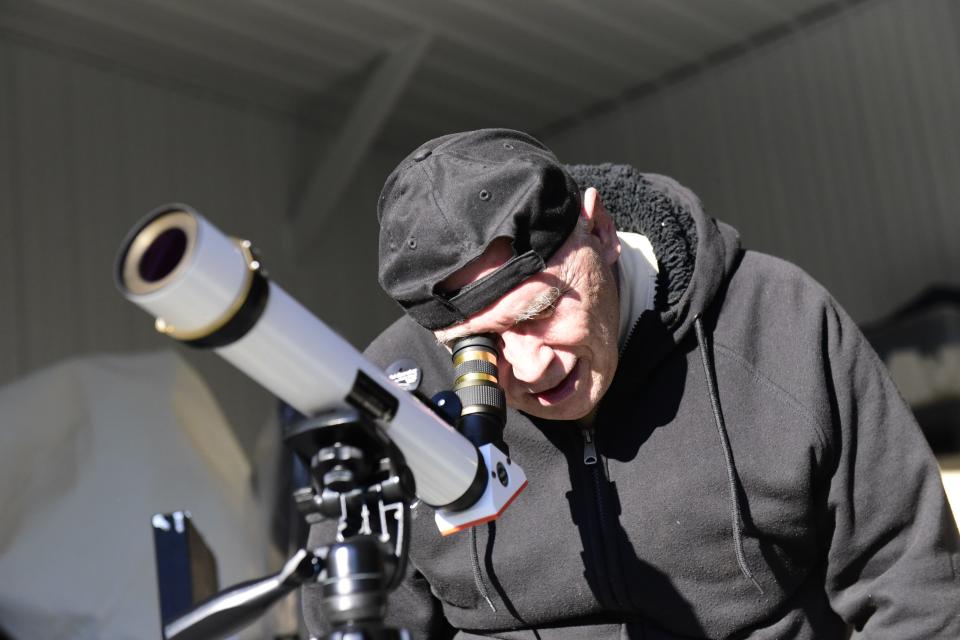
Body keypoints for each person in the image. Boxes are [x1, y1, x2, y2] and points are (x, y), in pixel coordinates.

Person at [304, 129, 960, 639]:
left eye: (540, 313)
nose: (531, 369)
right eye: (481, 348)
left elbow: (917, 590)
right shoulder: (398, 391)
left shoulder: (778, 324)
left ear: (601, 230)